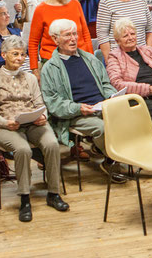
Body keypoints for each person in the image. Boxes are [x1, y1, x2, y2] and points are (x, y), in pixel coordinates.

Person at [0, 36, 68, 222]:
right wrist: (6, 123)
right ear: (3, 55)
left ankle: (53, 193)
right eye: (15, 54)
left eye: (22, 54)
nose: (20, 58)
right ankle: (25, 198)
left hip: (32, 122)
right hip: (5, 125)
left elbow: (39, 102)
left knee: (52, 144)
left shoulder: (29, 77)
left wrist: (42, 116)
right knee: (22, 149)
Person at [39, 19, 126, 183]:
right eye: (67, 35)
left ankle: (113, 156)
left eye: (74, 34)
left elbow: (105, 84)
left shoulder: (90, 58)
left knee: (131, 117)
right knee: (102, 127)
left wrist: (111, 96)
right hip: (76, 114)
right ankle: (114, 160)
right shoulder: (50, 68)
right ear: (55, 39)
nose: (73, 39)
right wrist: (79, 108)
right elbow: (53, 103)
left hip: (102, 107)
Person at [104, 18, 152, 181]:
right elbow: (117, 83)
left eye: (133, 33)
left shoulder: (147, 50)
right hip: (137, 99)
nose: (131, 37)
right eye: (125, 36)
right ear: (117, 40)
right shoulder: (114, 56)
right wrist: (149, 89)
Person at [27, 0, 93, 73]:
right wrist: (34, 69)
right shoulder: (41, 9)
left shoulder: (75, 4)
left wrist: (91, 59)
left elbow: (85, 35)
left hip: (79, 58)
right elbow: (33, 42)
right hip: (52, 63)